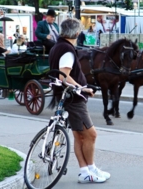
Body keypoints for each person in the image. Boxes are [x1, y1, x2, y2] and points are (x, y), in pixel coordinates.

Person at [49, 18, 110, 183]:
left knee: (78, 135)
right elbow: (64, 75)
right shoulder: (67, 50)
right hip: (73, 98)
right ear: (76, 33)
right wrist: (82, 88)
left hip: (66, 96)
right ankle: (87, 171)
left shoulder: (57, 46)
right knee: (91, 135)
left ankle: (88, 169)